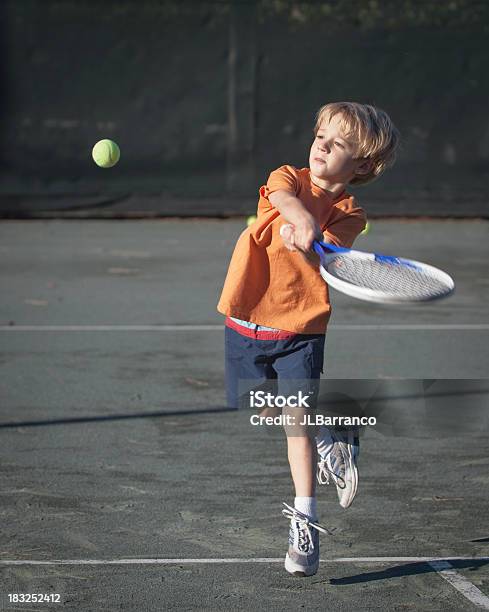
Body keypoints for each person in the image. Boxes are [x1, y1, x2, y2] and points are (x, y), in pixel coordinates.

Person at [217, 101, 400, 577]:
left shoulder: (349, 215)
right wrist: (297, 216)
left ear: (361, 164)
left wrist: (316, 239)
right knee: (259, 408)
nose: (322, 145)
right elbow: (281, 195)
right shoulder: (289, 178)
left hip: (301, 329)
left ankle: (305, 520)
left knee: (295, 421)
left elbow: (332, 253)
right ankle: (334, 431)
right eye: (321, 135)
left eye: (337, 143)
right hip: (246, 316)